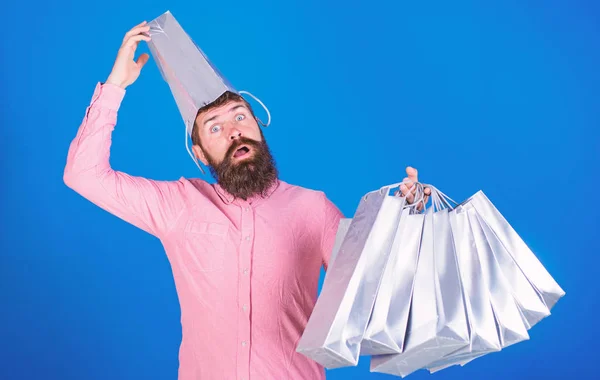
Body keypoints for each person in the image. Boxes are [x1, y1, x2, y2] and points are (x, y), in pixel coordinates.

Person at [63, 21, 431, 380]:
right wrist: (115, 86)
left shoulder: (312, 209)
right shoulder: (177, 205)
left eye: (240, 116)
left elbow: (370, 287)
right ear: (201, 154)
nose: (234, 130)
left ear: (258, 126)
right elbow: (83, 174)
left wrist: (407, 217)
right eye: (215, 127)